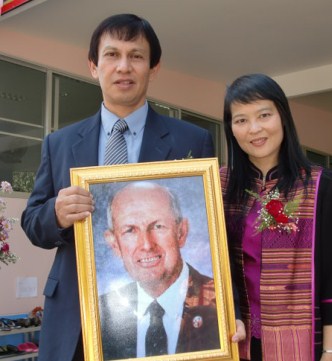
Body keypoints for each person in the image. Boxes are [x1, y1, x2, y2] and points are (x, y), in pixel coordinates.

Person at [20, 13, 217, 361]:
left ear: (153, 68)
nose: (123, 66)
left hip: (166, 320)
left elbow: (216, 231)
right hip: (75, 319)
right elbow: (34, 223)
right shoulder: (60, 143)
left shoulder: (193, 140)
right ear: (94, 66)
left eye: (136, 56)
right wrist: (55, 213)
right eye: (112, 55)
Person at [220, 73, 332, 361]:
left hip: (303, 343)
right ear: (231, 129)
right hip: (235, 341)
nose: (254, 129)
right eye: (241, 120)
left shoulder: (322, 185)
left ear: (283, 116)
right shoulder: (218, 185)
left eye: (264, 115)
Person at [99, 181, 220, 359]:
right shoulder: (100, 314)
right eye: (130, 230)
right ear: (114, 244)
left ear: (181, 232)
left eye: (158, 226)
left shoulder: (219, 302)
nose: (147, 245)